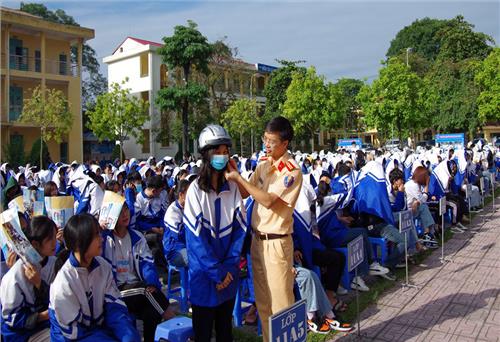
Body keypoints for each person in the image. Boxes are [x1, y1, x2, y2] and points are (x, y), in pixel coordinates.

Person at [225, 116, 303, 341]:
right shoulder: (263, 165)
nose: (266, 145)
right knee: (263, 304)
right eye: (265, 139)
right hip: (257, 242)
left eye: (271, 141)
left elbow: (268, 200)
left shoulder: (291, 170)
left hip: (277, 243)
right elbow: (244, 193)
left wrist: (239, 177)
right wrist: (233, 175)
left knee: (281, 305)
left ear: (285, 143)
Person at [184, 124, 247, 342]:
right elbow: (196, 242)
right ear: (206, 156)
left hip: (228, 274)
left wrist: (229, 269)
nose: (222, 156)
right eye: (217, 152)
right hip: (203, 276)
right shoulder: (195, 191)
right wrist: (217, 273)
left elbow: (240, 231)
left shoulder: (233, 188)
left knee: (225, 332)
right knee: (202, 333)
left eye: (225, 151)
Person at [49, 214, 139, 341]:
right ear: (80, 243)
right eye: (96, 235)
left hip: (95, 330)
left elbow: (114, 305)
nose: (101, 239)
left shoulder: (103, 266)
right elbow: (73, 333)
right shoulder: (63, 283)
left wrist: (127, 333)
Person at [102, 204, 174, 342]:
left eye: (126, 210)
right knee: (145, 291)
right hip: (117, 291)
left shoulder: (137, 237)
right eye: (120, 211)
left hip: (136, 289)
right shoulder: (106, 240)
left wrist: (152, 282)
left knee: (152, 311)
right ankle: (174, 320)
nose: (125, 215)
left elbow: (147, 264)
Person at [0, 216, 57, 341]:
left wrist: (39, 284)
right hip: (22, 334)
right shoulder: (14, 276)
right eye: (49, 239)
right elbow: (11, 318)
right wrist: (42, 316)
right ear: (35, 244)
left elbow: (58, 296)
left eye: (55, 236)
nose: (55, 242)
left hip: (48, 323)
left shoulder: (54, 263)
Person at [163, 178, 193, 268]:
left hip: (187, 246)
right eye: (190, 194)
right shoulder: (172, 212)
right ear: (181, 195)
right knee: (196, 260)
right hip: (174, 251)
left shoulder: (189, 207)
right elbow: (180, 235)